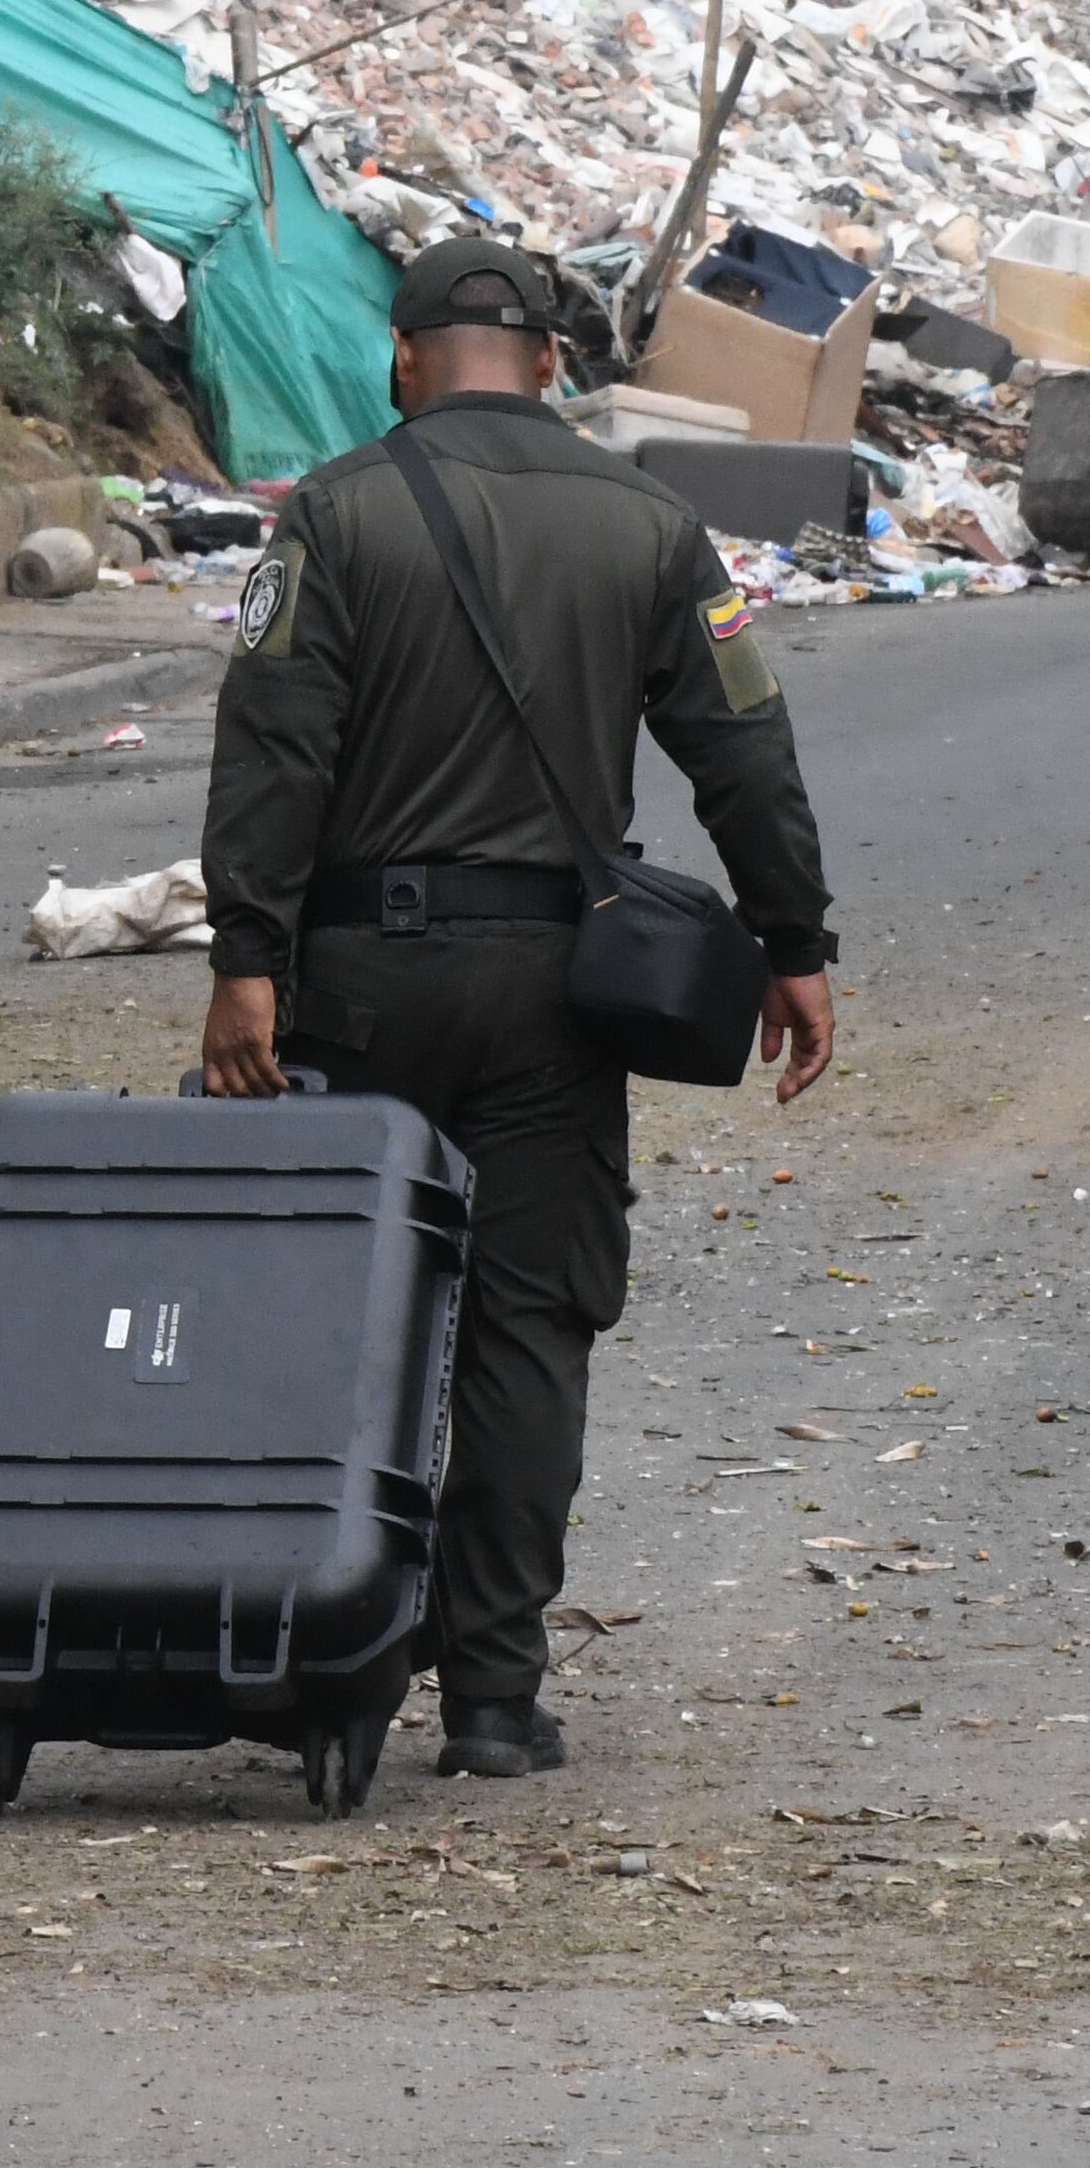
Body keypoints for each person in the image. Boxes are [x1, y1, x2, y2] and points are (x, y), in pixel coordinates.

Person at [197, 233, 837, 1783]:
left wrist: (243, 957)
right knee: (530, 1328)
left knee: (336, 1308)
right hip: (560, 994)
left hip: (358, 984)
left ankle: (307, 1655)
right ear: (554, 361)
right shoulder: (658, 523)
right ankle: (491, 1695)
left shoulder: (336, 516)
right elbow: (743, 748)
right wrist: (794, 942)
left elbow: (273, 738)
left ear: (405, 355)